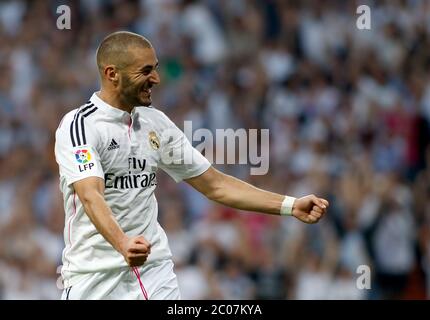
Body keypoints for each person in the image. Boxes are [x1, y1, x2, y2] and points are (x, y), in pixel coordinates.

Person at [54, 31, 329, 300]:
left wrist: (290, 205)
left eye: (156, 69)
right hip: (94, 278)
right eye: (146, 71)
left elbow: (216, 185)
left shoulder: (156, 124)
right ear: (112, 73)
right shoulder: (80, 127)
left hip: (154, 271)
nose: (156, 79)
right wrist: (122, 242)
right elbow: (91, 195)